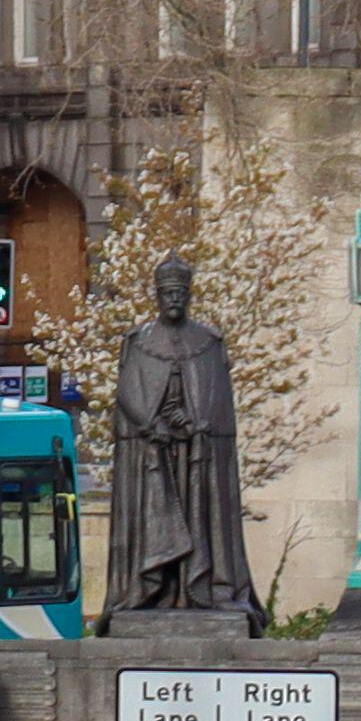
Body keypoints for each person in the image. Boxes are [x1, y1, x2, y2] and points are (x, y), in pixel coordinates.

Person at [110, 259, 253, 613]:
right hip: (153, 447)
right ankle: (155, 590)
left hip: (195, 450)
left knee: (198, 513)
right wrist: (149, 424)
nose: (174, 299)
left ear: (188, 296)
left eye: (180, 293)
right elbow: (129, 393)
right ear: (157, 296)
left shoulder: (208, 342)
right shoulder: (138, 342)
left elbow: (215, 401)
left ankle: (205, 586)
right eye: (167, 293)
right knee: (157, 513)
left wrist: (195, 424)